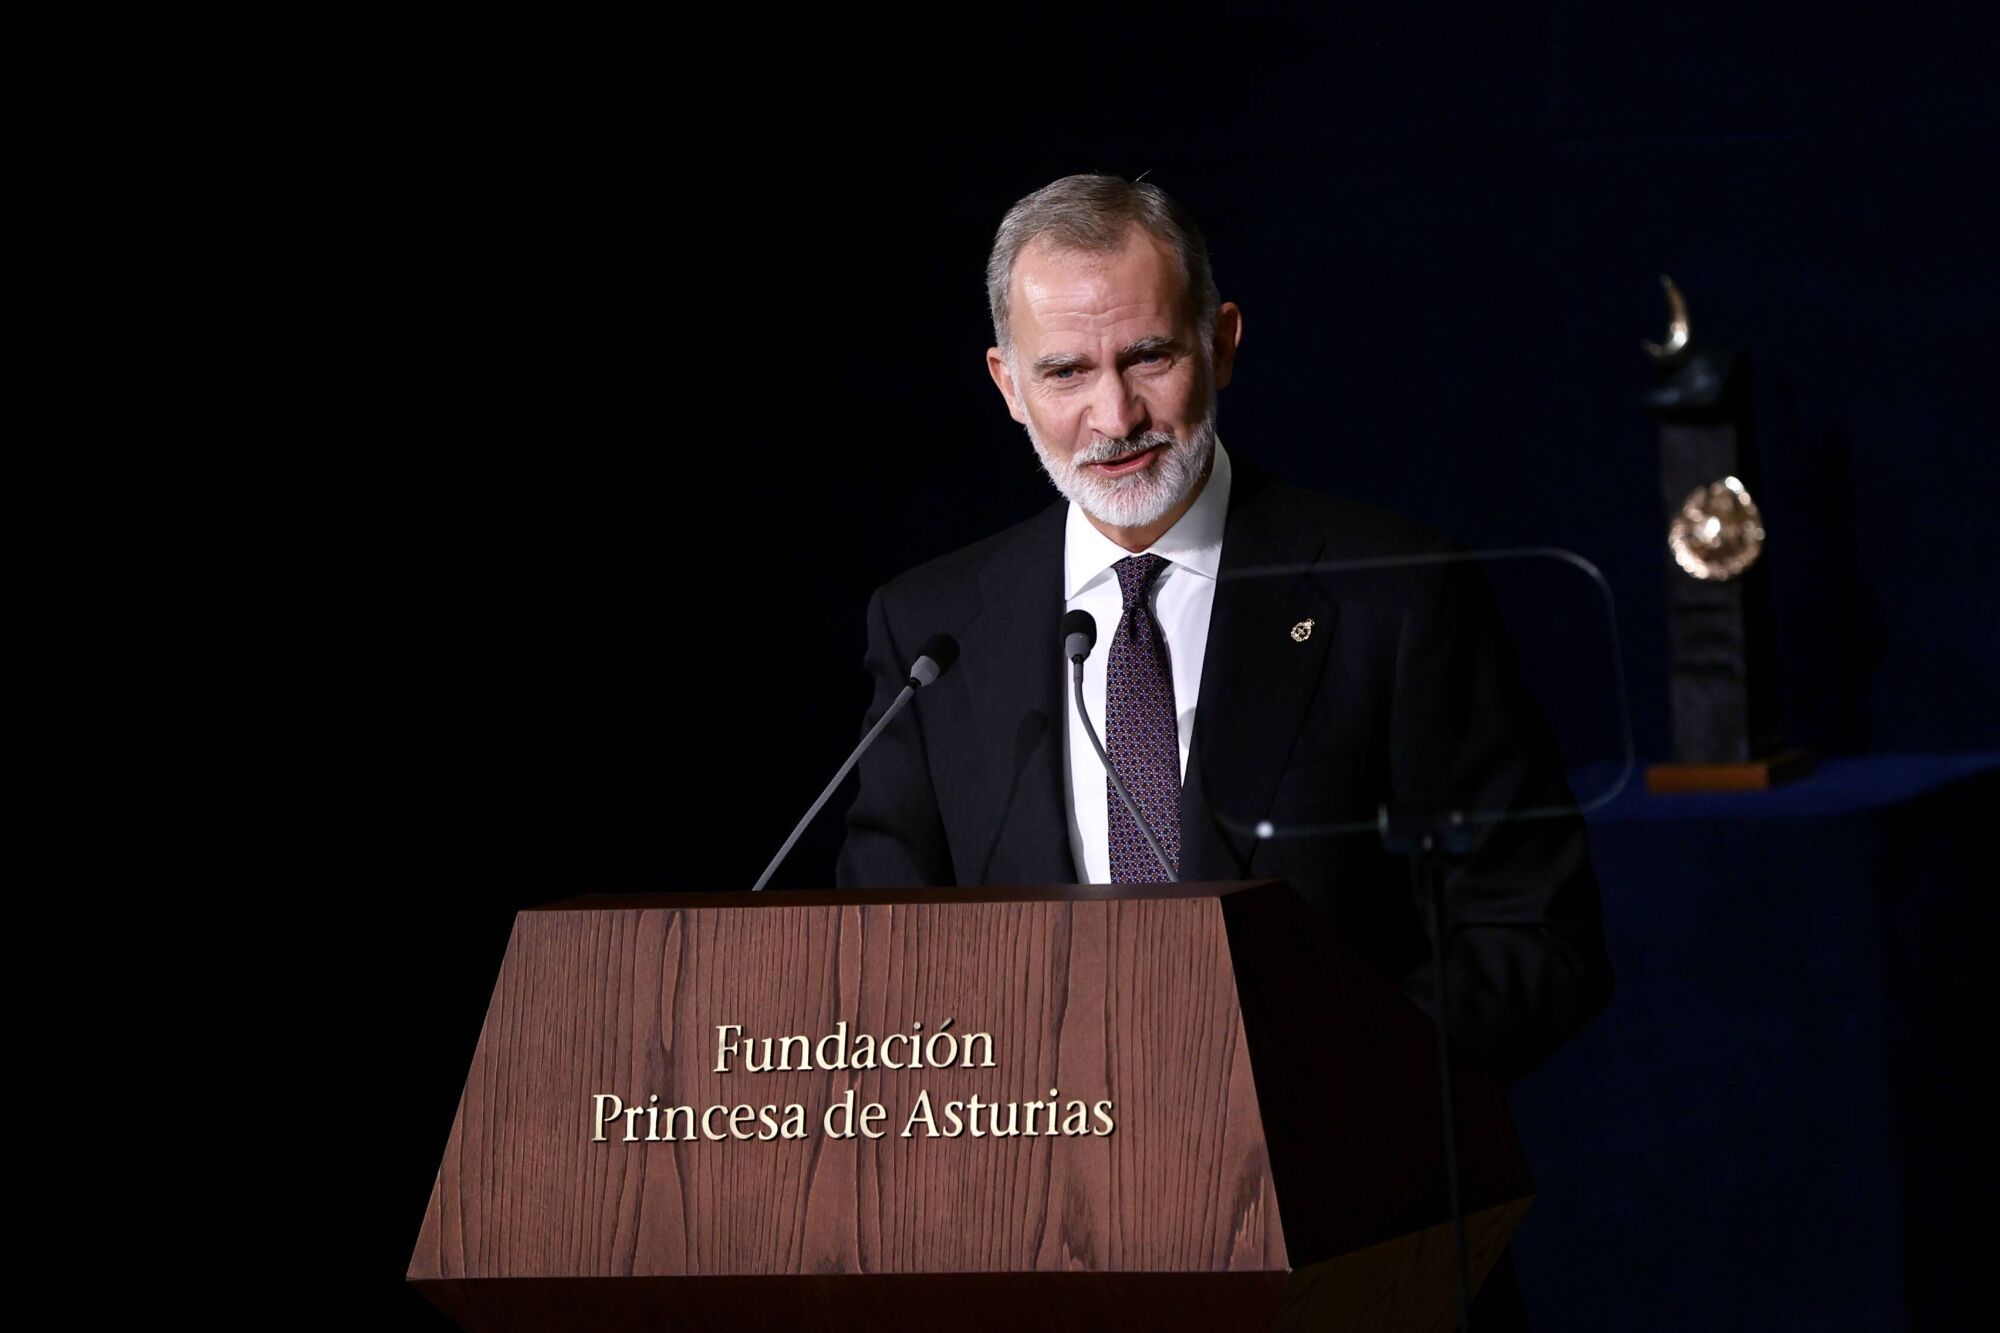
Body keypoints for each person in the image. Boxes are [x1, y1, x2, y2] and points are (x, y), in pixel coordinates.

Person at [835, 173, 1610, 1084]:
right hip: (1031, 1199)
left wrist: (1320, 1083)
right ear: (1009, 385)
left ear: (1223, 343)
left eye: (1150, 357)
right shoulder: (932, 632)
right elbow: (876, 967)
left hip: (1339, 1187)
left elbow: (1538, 933)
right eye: (1066, 372)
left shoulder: (1397, 595)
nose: (1114, 417)